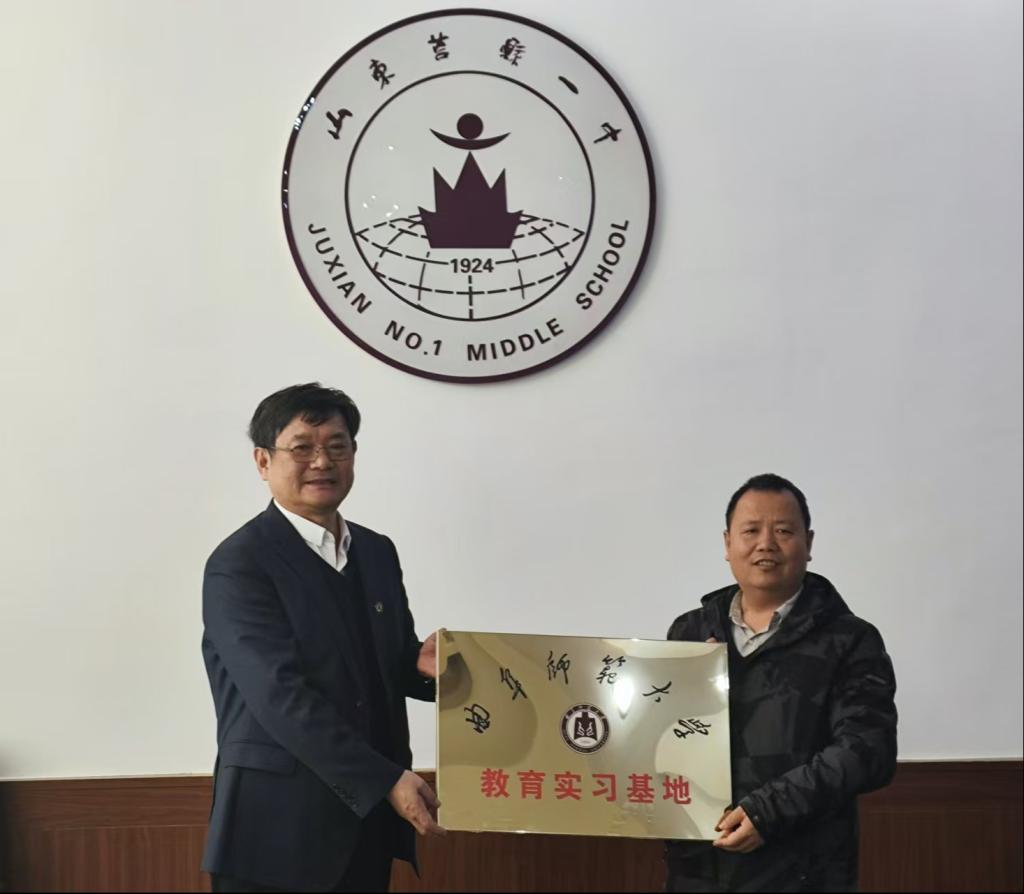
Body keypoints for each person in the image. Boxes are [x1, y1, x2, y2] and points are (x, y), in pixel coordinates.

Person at [200, 383, 445, 893]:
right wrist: (383, 779)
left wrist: (421, 666)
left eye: (337, 446)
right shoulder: (239, 564)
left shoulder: (376, 552)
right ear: (263, 461)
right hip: (275, 831)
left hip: (368, 821)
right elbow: (278, 696)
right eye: (302, 447)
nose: (322, 461)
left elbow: (383, 663)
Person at [665, 474, 897, 892]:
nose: (766, 544)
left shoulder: (849, 640)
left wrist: (768, 811)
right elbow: (661, 738)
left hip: (802, 872)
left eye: (784, 531)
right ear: (727, 543)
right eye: (751, 531)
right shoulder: (691, 632)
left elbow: (868, 750)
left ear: (808, 543)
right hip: (698, 871)